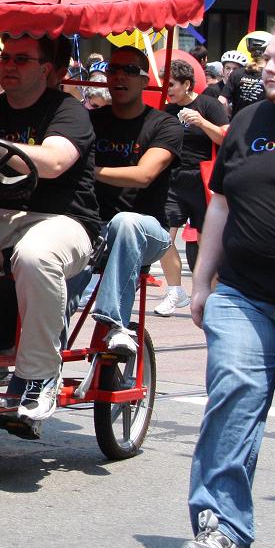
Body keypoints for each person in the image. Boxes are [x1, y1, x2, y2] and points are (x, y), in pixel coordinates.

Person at [0, 33, 103, 434]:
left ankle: (38, 375)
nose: (9, 66)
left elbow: (54, 161)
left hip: (63, 220)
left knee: (37, 254)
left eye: (22, 59)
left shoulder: (69, 111)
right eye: (5, 58)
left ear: (45, 69)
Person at [178, 25, 275, 548]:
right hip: (243, 293)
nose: (269, 67)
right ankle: (222, 529)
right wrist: (201, 282)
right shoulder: (245, 120)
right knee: (234, 399)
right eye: (270, 58)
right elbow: (219, 204)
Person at [81, 46, 183, 356]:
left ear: (144, 80)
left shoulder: (164, 124)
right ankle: (40, 360)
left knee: (126, 222)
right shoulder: (90, 120)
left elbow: (144, 175)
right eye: (113, 70)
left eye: (129, 71)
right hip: (92, 228)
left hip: (147, 230)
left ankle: (115, 321)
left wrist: (90, 170)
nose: (119, 76)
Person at [155, 59, 227, 316]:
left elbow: (226, 137)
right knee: (163, 234)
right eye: (164, 83)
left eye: (171, 84)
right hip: (173, 177)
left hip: (203, 178)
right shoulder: (166, 110)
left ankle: (212, 294)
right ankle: (175, 290)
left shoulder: (208, 104)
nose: (168, 89)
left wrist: (201, 122)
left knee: (209, 241)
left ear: (186, 84)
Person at [221, 38, 266, 115]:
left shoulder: (236, 73)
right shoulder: (269, 74)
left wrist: (232, 114)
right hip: (262, 123)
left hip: (238, 122)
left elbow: (222, 101)